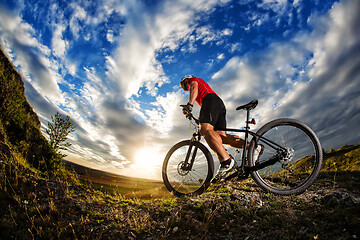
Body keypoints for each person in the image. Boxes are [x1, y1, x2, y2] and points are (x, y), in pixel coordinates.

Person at [180, 75, 250, 182]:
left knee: (206, 130)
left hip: (210, 101)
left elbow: (193, 86)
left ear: (185, 80)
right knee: (221, 136)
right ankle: (253, 147)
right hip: (218, 103)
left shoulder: (192, 80)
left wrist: (190, 105)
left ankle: (226, 162)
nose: (184, 88)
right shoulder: (202, 88)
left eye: (183, 85)